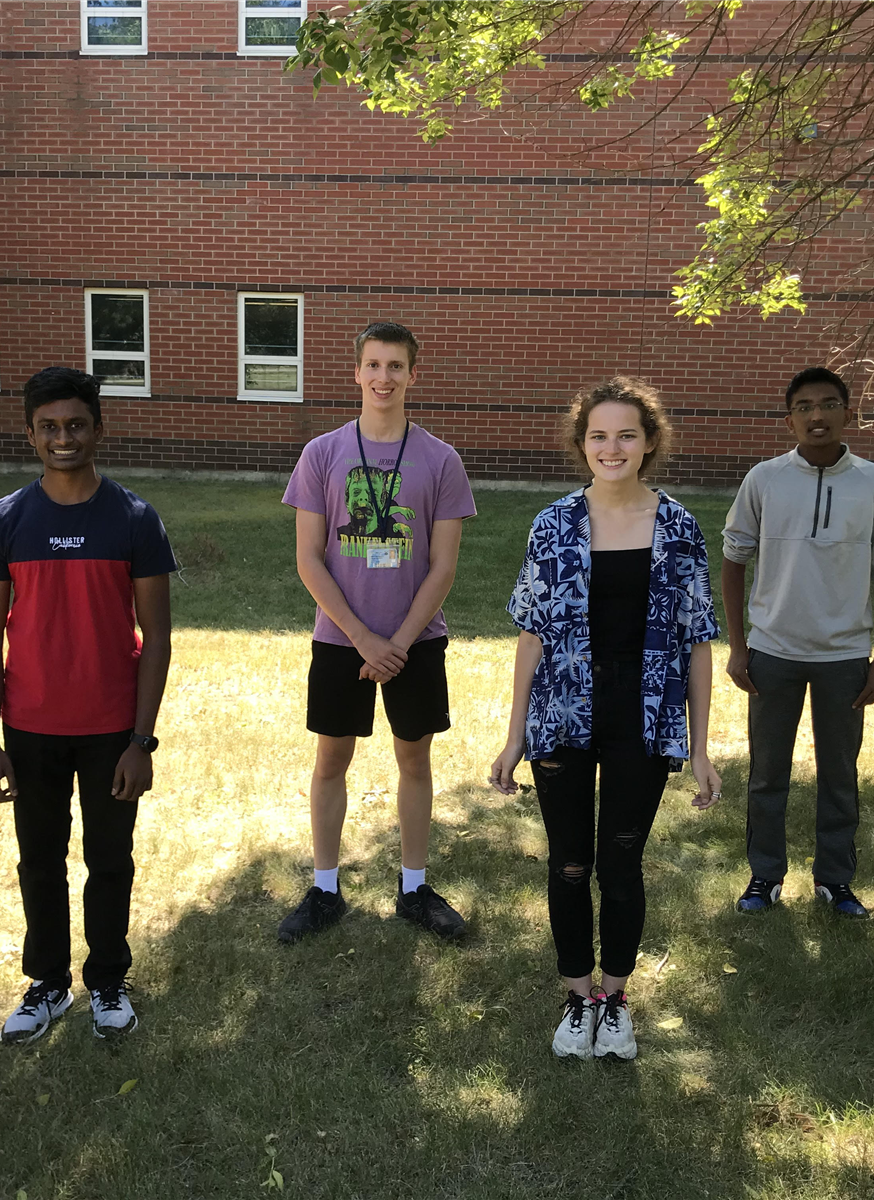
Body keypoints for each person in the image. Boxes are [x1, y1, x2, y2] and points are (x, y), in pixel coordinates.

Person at [490, 377, 722, 1060]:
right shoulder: (553, 524)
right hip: (562, 715)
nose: (611, 447)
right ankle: (576, 996)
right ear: (581, 443)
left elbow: (698, 640)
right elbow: (531, 635)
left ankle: (614, 1000)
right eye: (598, 435)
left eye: (626, 434)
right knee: (569, 863)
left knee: (620, 864)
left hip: (643, 720)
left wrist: (702, 748)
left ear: (649, 443)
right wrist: (513, 737)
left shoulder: (678, 528)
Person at [0, 367, 176, 1044]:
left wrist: (141, 742)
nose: (64, 438)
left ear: (98, 429)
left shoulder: (135, 520)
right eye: (50, 427)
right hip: (29, 729)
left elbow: (157, 639)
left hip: (111, 730)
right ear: (30, 434)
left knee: (110, 859)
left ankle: (108, 979)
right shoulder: (5, 522)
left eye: (76, 424)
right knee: (39, 859)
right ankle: (48, 984)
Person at [277, 321, 478, 943]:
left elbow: (443, 565)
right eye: (373, 365)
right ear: (356, 373)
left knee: (414, 758)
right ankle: (326, 887)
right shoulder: (323, 454)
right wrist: (364, 638)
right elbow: (310, 558)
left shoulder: (440, 459)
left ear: (413, 375)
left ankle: (414, 887)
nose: (384, 377)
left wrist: (399, 642)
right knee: (331, 758)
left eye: (396, 366)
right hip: (342, 639)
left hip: (417, 639)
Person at [721, 366, 874, 919]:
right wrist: (738, 646)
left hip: (844, 657)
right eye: (804, 406)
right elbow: (733, 560)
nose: (816, 415)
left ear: (848, 414)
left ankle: (835, 880)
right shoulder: (764, 478)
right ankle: (764, 876)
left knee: (840, 773)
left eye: (828, 404)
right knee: (766, 773)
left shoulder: (873, 482)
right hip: (772, 653)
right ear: (790, 418)